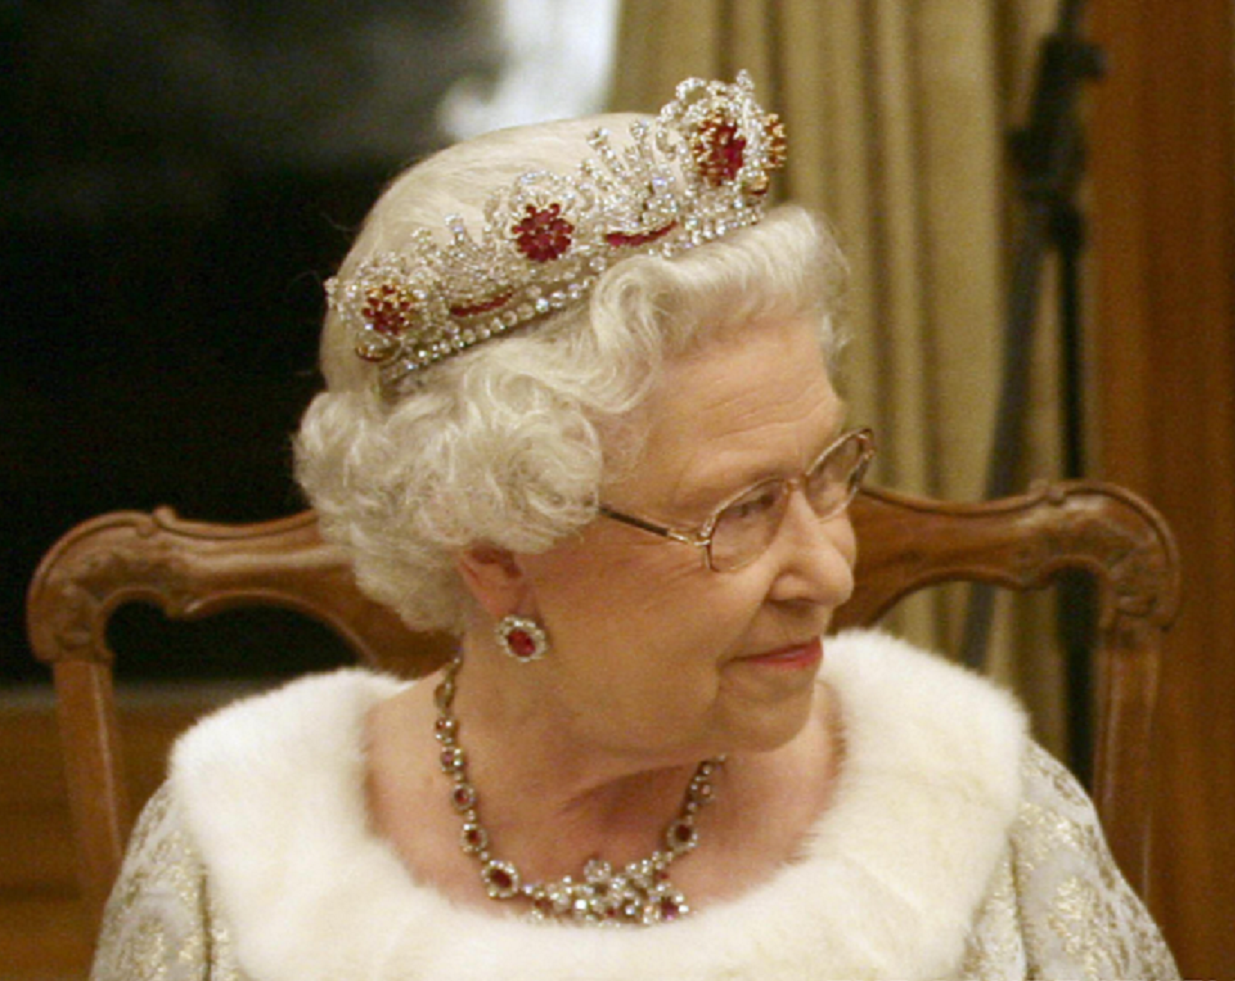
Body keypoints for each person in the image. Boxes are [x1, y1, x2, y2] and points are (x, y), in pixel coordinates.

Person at [90, 72, 1179, 980]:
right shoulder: (236, 868)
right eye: (741, 510)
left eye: (825, 476)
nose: (830, 570)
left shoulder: (971, 821)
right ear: (498, 554)